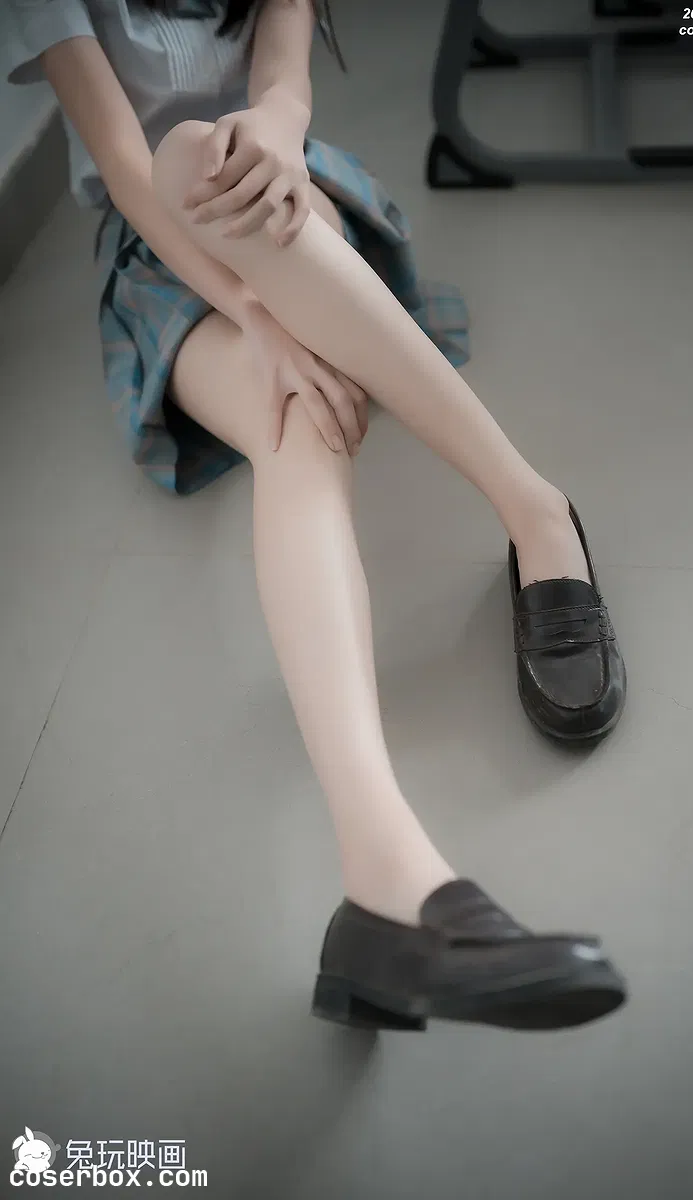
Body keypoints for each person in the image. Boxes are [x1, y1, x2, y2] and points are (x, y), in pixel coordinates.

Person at [7, 0, 629, 1033]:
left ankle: (535, 512)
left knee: (210, 152)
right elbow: (122, 161)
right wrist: (255, 319)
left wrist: (275, 135)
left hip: (283, 196)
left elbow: (283, 81)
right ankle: (387, 875)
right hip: (158, 250)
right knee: (292, 406)